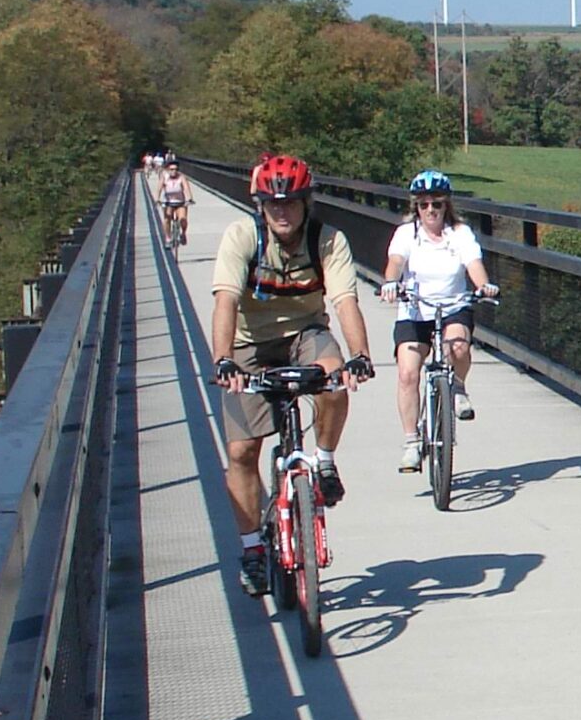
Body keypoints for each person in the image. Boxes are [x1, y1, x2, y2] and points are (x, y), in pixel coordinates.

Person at [209, 153, 374, 594]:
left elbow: (344, 302)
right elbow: (225, 301)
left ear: (306, 203)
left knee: (335, 376)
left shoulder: (327, 240)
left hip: (305, 333)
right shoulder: (242, 237)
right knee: (242, 451)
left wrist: (360, 354)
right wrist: (223, 359)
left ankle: (323, 460)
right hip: (249, 345)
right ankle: (252, 551)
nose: (282, 212)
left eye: (291, 203)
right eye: (273, 204)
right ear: (260, 205)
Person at [378, 169, 498, 472]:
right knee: (408, 373)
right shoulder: (407, 234)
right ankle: (411, 443)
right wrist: (391, 282)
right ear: (416, 207)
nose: (430, 210)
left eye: (437, 204)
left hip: (453, 305)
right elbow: (395, 262)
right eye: (424, 204)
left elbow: (473, 264)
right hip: (416, 308)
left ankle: (457, 387)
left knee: (458, 347)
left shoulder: (459, 233)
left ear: (447, 206)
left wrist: (484, 286)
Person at [157, 157, 192, 246]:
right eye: (171, 169)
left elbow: (187, 189)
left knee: (183, 219)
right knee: (167, 219)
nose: (174, 171)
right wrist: (157, 199)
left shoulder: (181, 177)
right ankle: (168, 238)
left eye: (176, 169)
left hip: (180, 202)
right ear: (168, 169)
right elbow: (159, 189)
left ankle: (183, 233)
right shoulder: (164, 177)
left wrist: (189, 199)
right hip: (168, 202)